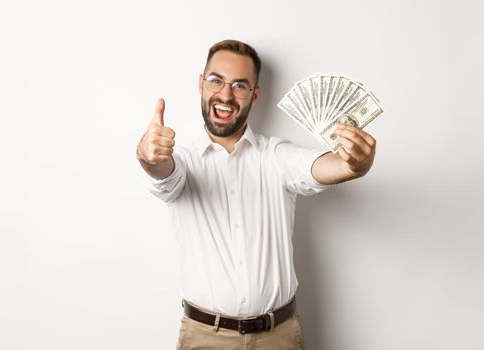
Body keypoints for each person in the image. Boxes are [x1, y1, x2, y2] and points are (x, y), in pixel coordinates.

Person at [136, 39, 376, 350]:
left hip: (279, 337)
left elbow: (320, 167)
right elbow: (164, 173)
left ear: (255, 94)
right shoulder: (184, 160)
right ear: (201, 84)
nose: (225, 94)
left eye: (240, 86)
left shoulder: (275, 155)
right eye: (216, 81)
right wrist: (148, 156)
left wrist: (353, 163)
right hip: (206, 339)